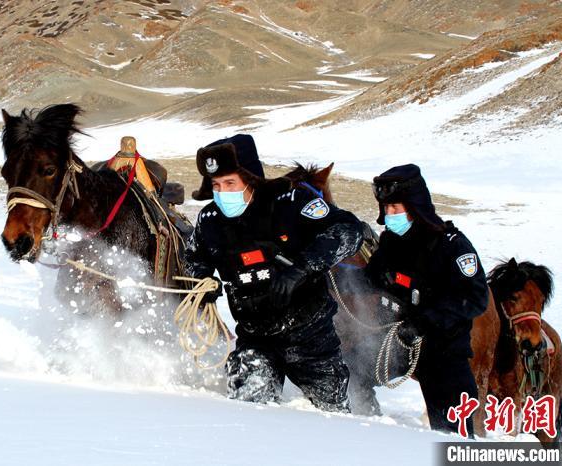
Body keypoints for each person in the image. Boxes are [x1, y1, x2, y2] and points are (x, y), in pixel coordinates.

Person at [185, 135, 363, 412]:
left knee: (333, 418)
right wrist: (202, 279)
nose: (222, 192)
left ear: (250, 178)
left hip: (310, 335)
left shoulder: (291, 203)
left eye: (230, 183)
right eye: (216, 185)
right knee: (246, 412)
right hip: (254, 336)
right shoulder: (209, 220)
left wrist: (301, 269)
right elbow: (195, 256)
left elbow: (349, 230)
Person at [365, 163, 488, 436]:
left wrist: (425, 322)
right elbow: (369, 278)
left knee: (452, 431)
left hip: (443, 350)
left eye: (396, 208)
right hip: (396, 340)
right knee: (352, 373)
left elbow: (476, 297)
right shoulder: (391, 242)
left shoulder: (452, 244)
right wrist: (379, 279)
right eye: (386, 209)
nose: (389, 215)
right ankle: (362, 432)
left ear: (415, 206)